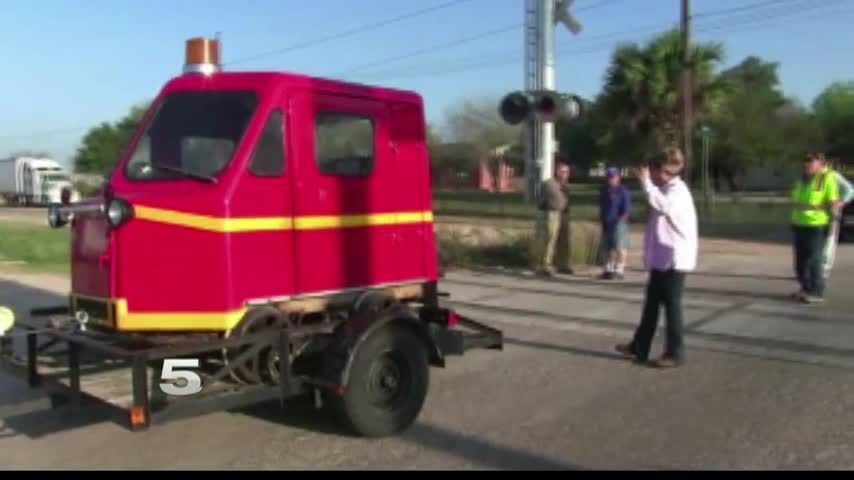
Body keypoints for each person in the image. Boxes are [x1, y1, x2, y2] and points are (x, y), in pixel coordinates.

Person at [615, 147, 698, 368]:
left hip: (674, 260)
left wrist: (646, 183)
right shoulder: (665, 188)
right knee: (651, 306)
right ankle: (639, 346)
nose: (648, 173)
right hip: (661, 260)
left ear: (662, 170)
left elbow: (661, 204)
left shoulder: (677, 191)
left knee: (672, 308)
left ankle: (675, 352)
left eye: (652, 169)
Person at [790, 153, 840, 304]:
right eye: (805, 162)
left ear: (820, 164)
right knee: (800, 262)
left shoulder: (827, 178)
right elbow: (795, 199)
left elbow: (834, 202)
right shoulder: (801, 179)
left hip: (817, 225)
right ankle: (805, 288)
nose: (807, 165)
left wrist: (833, 222)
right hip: (799, 224)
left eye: (811, 162)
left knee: (814, 260)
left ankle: (816, 291)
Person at [535, 162, 573, 276]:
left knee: (564, 239)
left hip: (564, 214)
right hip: (551, 213)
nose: (564, 174)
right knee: (551, 239)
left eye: (566, 172)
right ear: (556, 171)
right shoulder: (550, 184)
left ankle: (563, 264)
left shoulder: (566, 185)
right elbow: (557, 200)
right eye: (562, 171)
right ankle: (545, 265)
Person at [821, 159, 854, 278]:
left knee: (829, 240)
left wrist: (840, 202)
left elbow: (850, 190)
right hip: (815, 214)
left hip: (831, 212)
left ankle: (824, 268)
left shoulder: (833, 175)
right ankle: (813, 269)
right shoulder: (811, 176)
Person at [599, 167, 632, 280]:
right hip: (606, 222)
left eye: (613, 177)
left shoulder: (623, 191)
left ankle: (620, 269)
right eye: (608, 177)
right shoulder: (604, 190)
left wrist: (620, 221)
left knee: (620, 246)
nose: (610, 179)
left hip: (619, 222)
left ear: (618, 177)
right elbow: (602, 206)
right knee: (607, 247)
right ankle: (608, 269)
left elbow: (626, 210)